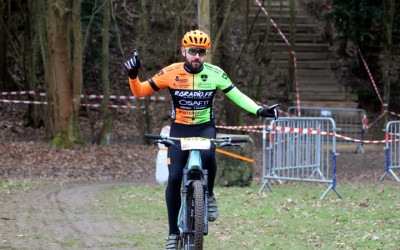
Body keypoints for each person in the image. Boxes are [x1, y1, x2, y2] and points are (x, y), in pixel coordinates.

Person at [125, 30, 279, 249]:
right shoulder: (171, 72)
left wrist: (261, 110)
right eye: (192, 51)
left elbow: (238, 96)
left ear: (206, 54)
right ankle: (172, 234)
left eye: (201, 52)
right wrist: (133, 75)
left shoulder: (216, 73)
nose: (196, 56)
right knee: (175, 176)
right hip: (179, 129)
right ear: (183, 51)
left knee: (208, 154)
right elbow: (140, 91)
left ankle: (211, 195)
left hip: (205, 128)